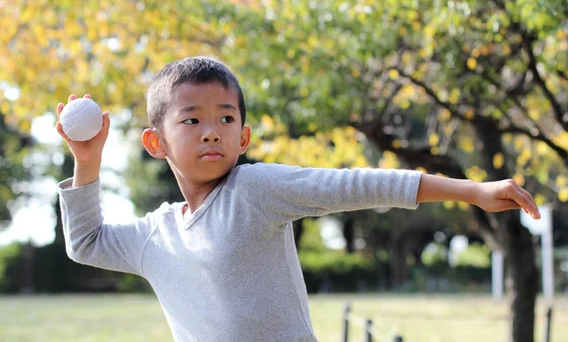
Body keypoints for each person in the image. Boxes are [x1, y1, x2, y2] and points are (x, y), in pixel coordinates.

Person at [55, 56, 540, 342]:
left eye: (225, 119)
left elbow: (359, 185)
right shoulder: (155, 236)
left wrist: (473, 191)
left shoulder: (256, 190)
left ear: (243, 138)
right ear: (155, 143)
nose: (211, 133)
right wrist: (88, 158)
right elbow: (85, 243)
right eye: (191, 120)